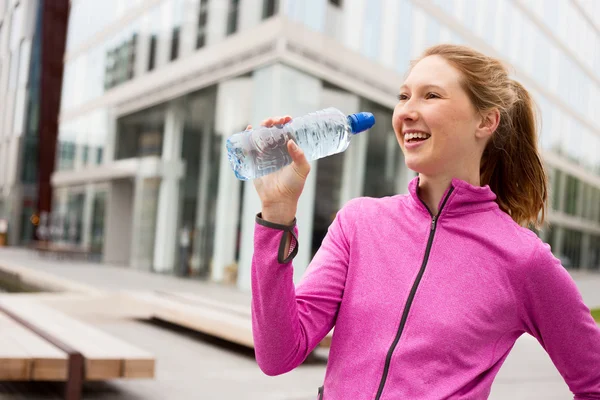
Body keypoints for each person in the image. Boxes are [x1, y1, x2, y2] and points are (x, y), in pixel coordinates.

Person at [248, 44, 600, 399]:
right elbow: (278, 354)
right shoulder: (358, 223)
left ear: (485, 121)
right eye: (403, 96)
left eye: (431, 95)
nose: (407, 112)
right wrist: (277, 215)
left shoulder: (523, 259)